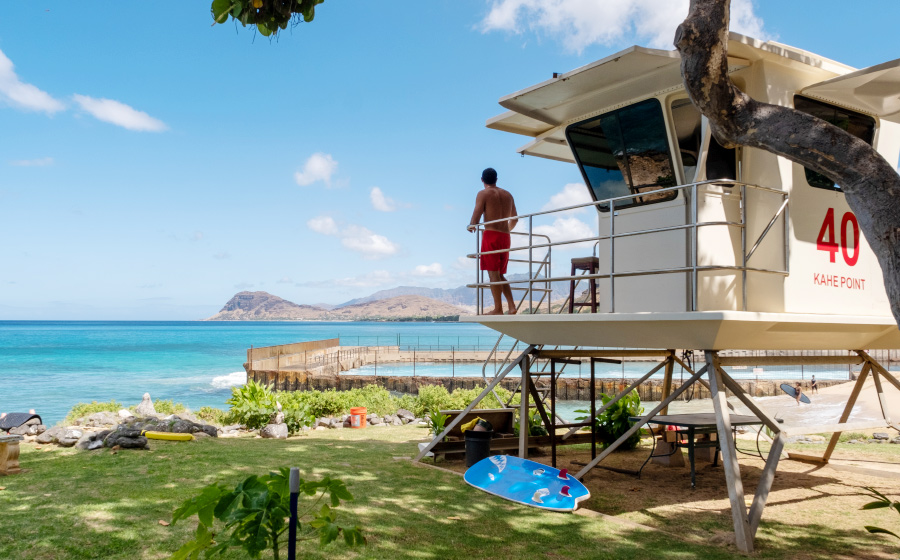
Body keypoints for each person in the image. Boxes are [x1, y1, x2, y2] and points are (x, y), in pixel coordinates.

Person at [468, 167, 518, 315]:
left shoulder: (483, 194)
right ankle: (511, 306)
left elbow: (475, 218)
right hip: (505, 236)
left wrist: (471, 225)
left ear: (482, 180)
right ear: (496, 179)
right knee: (500, 274)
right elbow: (515, 218)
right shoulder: (508, 194)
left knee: (493, 274)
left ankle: (498, 309)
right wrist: (506, 230)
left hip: (491, 235)